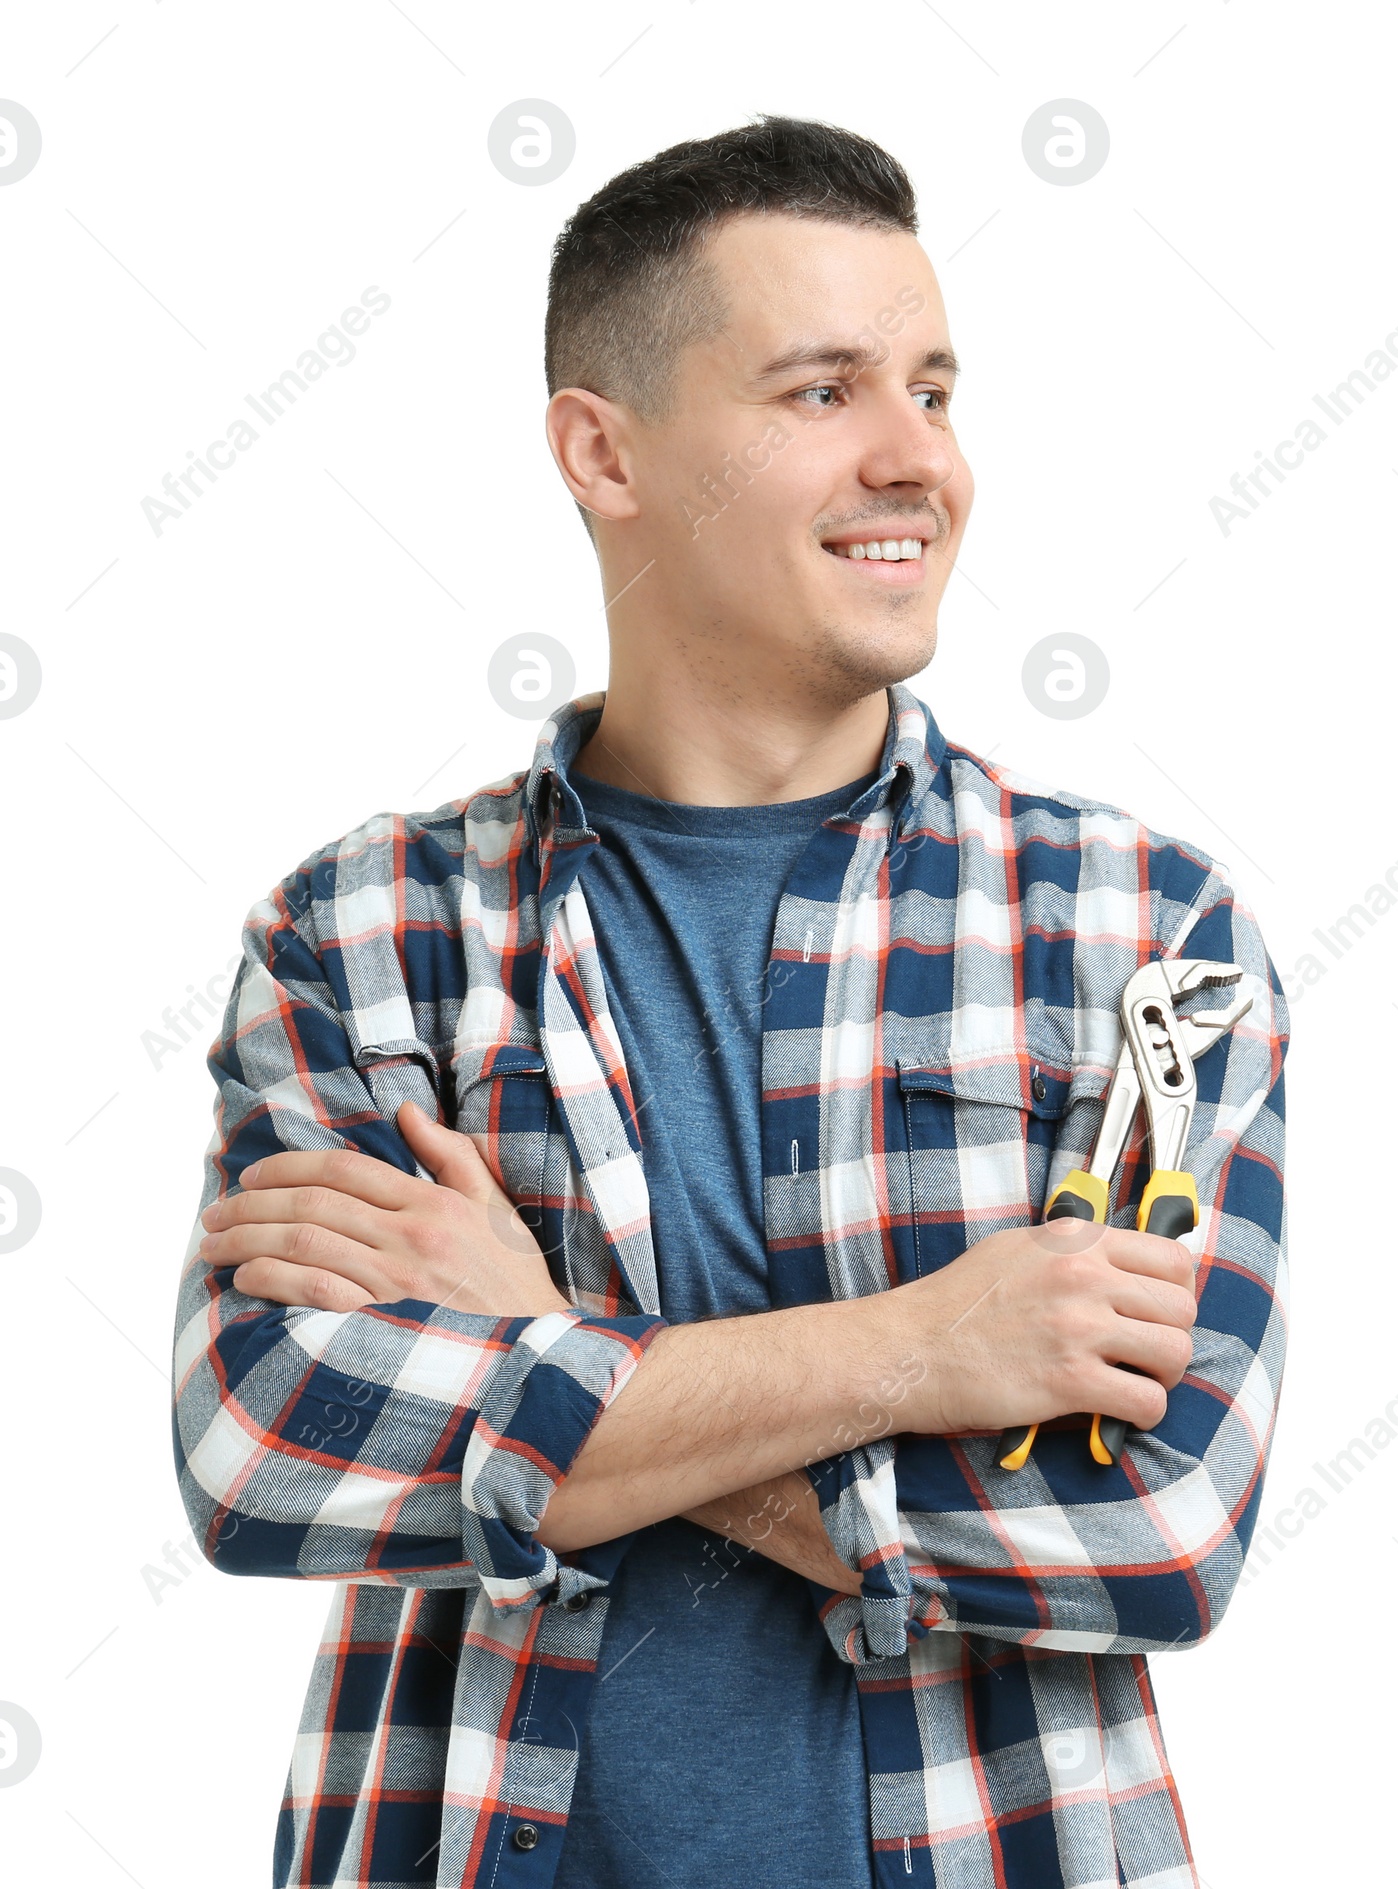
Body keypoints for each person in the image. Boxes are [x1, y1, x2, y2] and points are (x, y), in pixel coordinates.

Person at [172, 114, 1289, 1889]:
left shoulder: (1141, 933)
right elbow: (269, 1457)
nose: (919, 457)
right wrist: (918, 1348)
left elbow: (1153, 1531)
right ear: (605, 453)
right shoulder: (361, 932)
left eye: (935, 385)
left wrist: (538, 1348)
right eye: (822, 390)